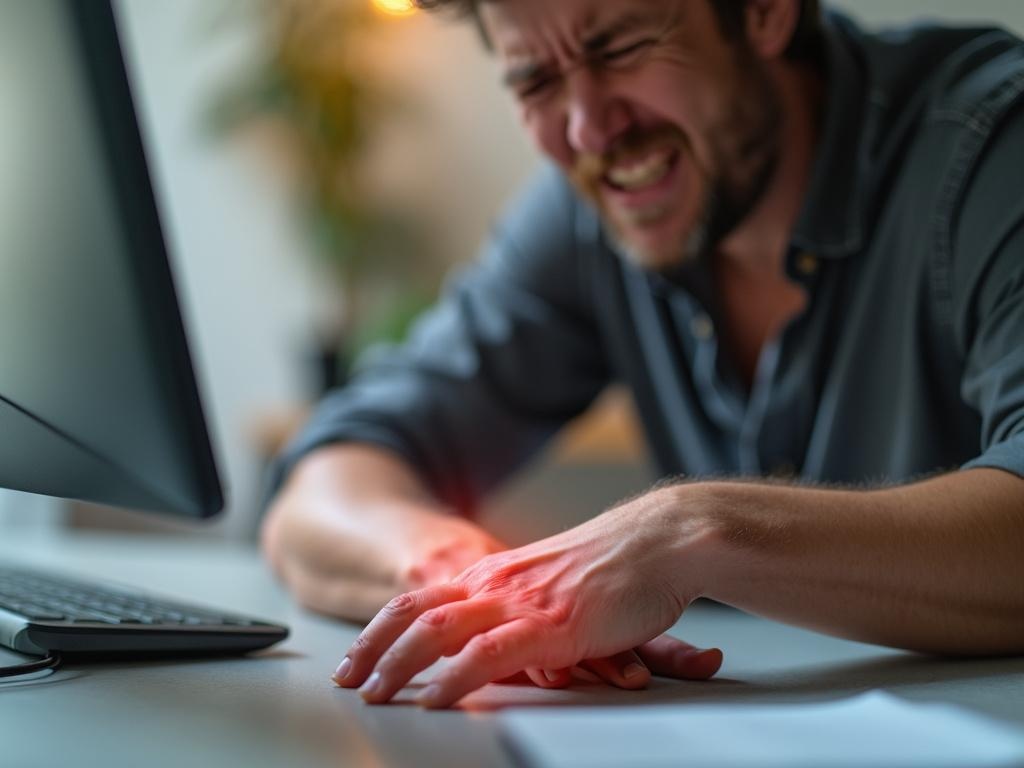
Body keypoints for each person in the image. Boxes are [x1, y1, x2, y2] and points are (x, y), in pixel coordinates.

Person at [262, 0, 1024, 709]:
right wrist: (464, 585)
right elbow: (330, 476)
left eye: (622, 47)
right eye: (535, 80)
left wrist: (686, 533)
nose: (590, 131)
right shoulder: (592, 212)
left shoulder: (992, 145)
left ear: (767, 11)